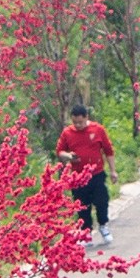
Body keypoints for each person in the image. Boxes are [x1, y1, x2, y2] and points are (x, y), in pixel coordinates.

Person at [56, 101, 116, 249]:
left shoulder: (98, 129)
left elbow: (108, 151)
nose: (78, 125)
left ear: (86, 117)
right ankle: (86, 233)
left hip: (96, 174)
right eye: (75, 122)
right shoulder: (67, 133)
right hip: (78, 177)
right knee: (82, 206)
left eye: (81, 122)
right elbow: (59, 152)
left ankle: (103, 225)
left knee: (102, 201)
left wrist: (113, 171)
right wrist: (69, 156)